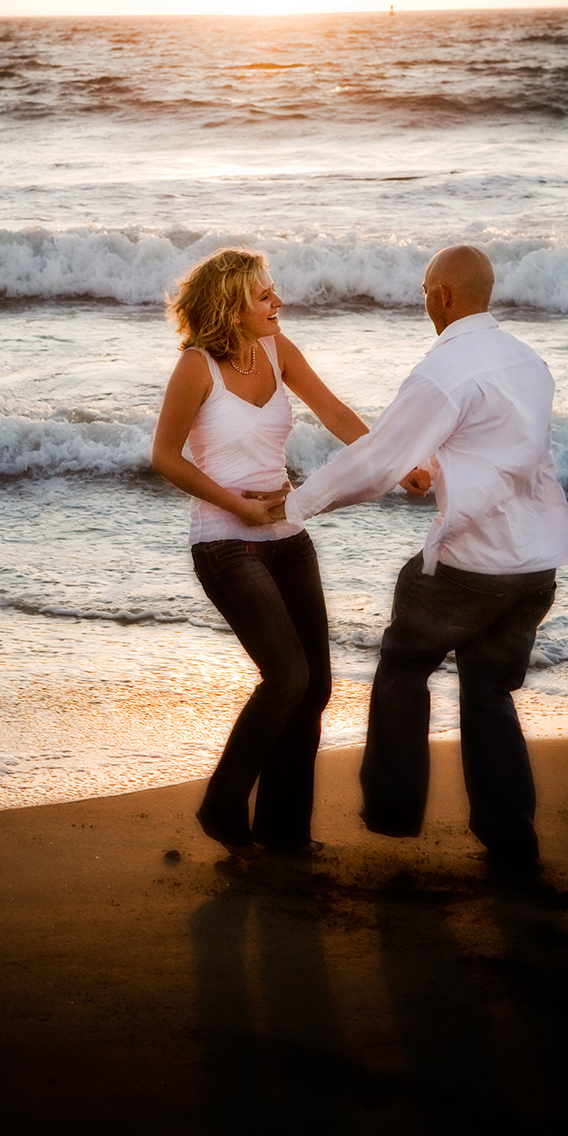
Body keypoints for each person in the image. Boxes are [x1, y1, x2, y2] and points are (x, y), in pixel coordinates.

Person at [262, 244, 568, 874]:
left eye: (425, 288)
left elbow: (373, 461)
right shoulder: (528, 362)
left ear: (444, 296)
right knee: (490, 691)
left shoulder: (445, 372)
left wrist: (294, 507)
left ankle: (395, 809)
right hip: (536, 565)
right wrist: (433, 467)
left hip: (474, 565)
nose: (422, 298)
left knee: (405, 661)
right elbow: (501, 452)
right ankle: (510, 841)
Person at [151, 248, 374, 855]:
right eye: (265, 296)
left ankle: (284, 832)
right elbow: (165, 458)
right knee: (288, 677)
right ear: (232, 306)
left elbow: (333, 412)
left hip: (287, 537)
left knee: (317, 686)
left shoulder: (279, 350)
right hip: (225, 543)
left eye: (274, 293)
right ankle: (224, 805)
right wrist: (240, 505)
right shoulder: (196, 367)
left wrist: (396, 458)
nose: (279, 303)